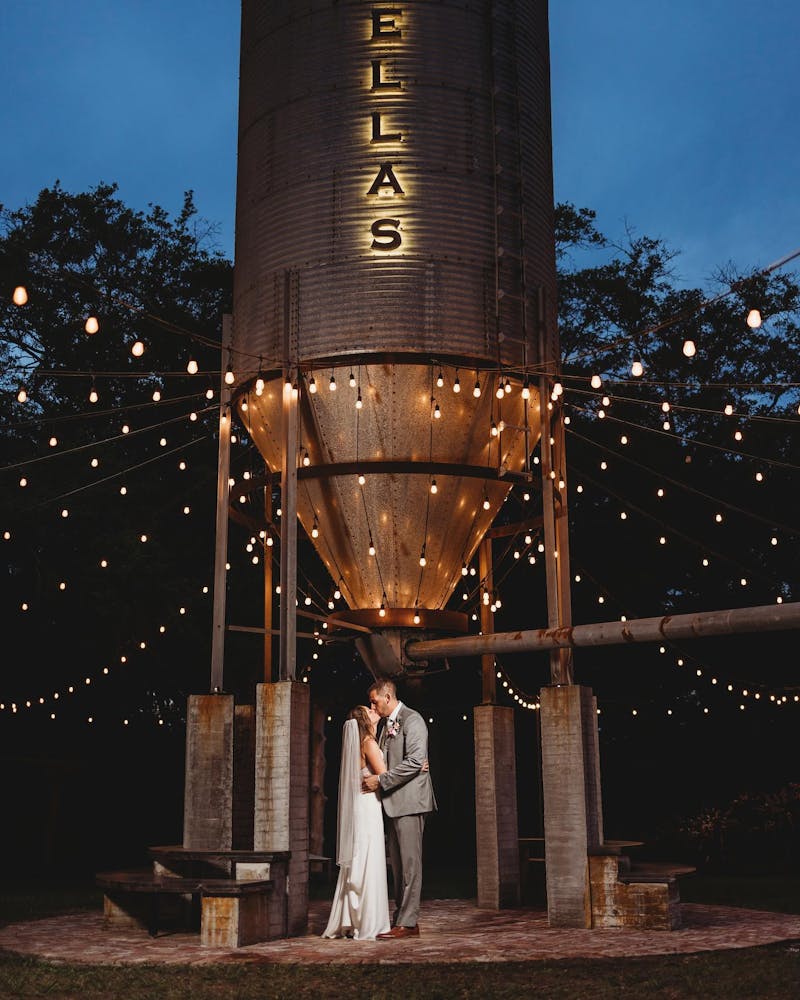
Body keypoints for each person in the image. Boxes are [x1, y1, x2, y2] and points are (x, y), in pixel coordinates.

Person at [363, 677, 436, 940]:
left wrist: (382, 780)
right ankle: (401, 917)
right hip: (394, 803)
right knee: (397, 866)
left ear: (387, 697)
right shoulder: (385, 725)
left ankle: (408, 922)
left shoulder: (412, 720)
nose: (373, 705)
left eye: (375, 701)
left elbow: (416, 759)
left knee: (410, 865)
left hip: (410, 802)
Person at [321, 705, 391, 940]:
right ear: (363, 720)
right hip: (369, 806)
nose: (373, 711)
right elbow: (385, 774)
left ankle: (352, 916)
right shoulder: (368, 743)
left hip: (358, 806)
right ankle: (368, 920)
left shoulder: (357, 744)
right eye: (368, 711)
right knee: (368, 857)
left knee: (359, 856)